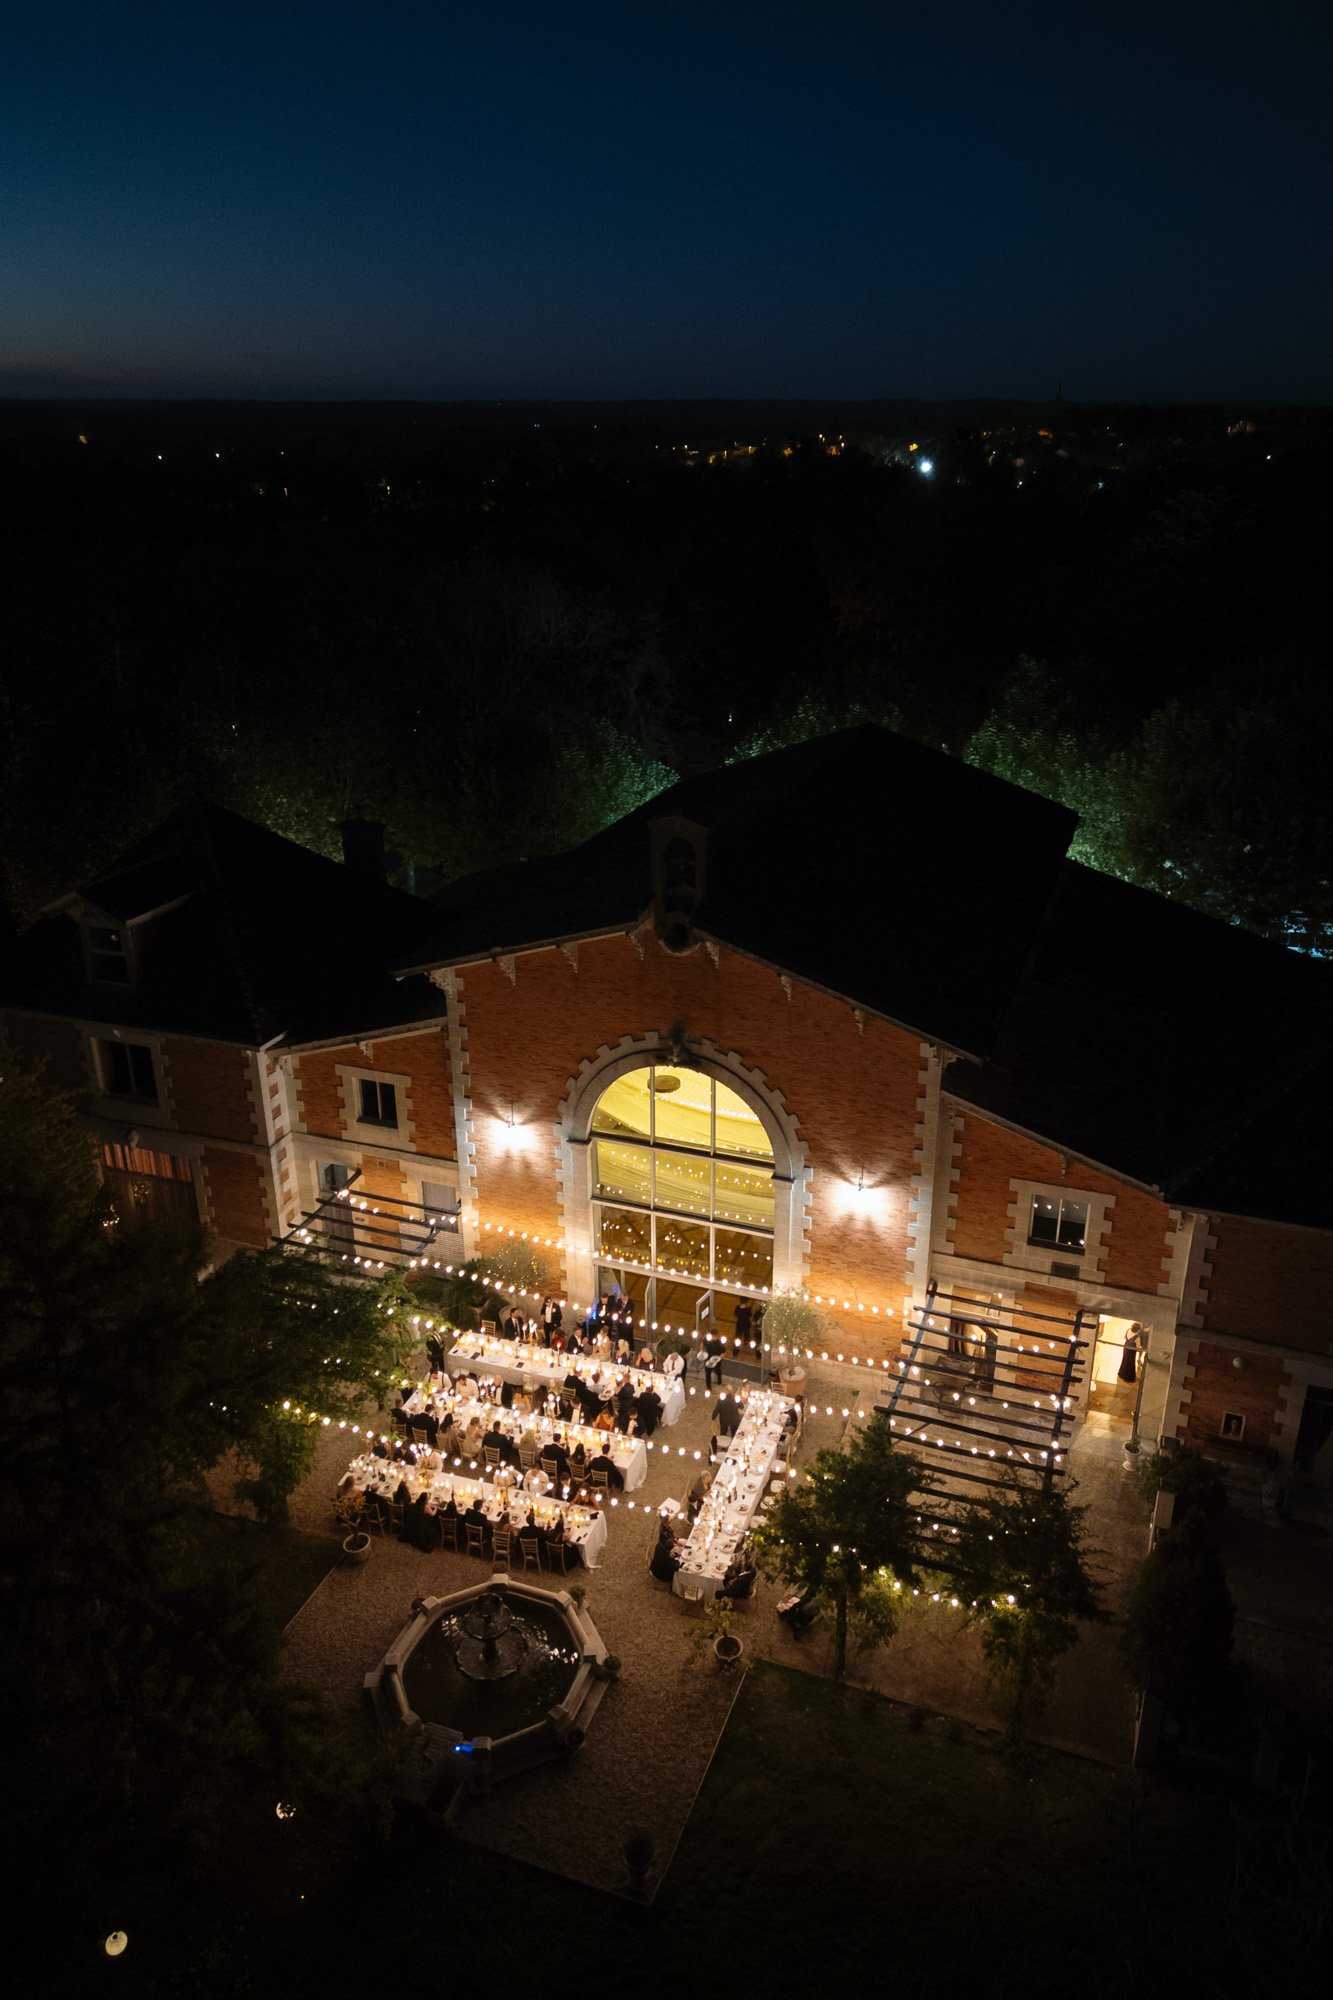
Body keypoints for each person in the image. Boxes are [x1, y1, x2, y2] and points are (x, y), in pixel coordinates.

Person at [703, 1323, 727, 1390]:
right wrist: (702, 1351)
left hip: (717, 1361)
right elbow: (702, 1343)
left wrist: (718, 1358)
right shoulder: (707, 1339)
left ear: (716, 1336)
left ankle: (719, 1381)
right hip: (708, 1360)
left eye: (712, 1336)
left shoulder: (720, 1343)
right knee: (708, 1373)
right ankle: (709, 1388)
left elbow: (724, 1353)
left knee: (718, 1371)